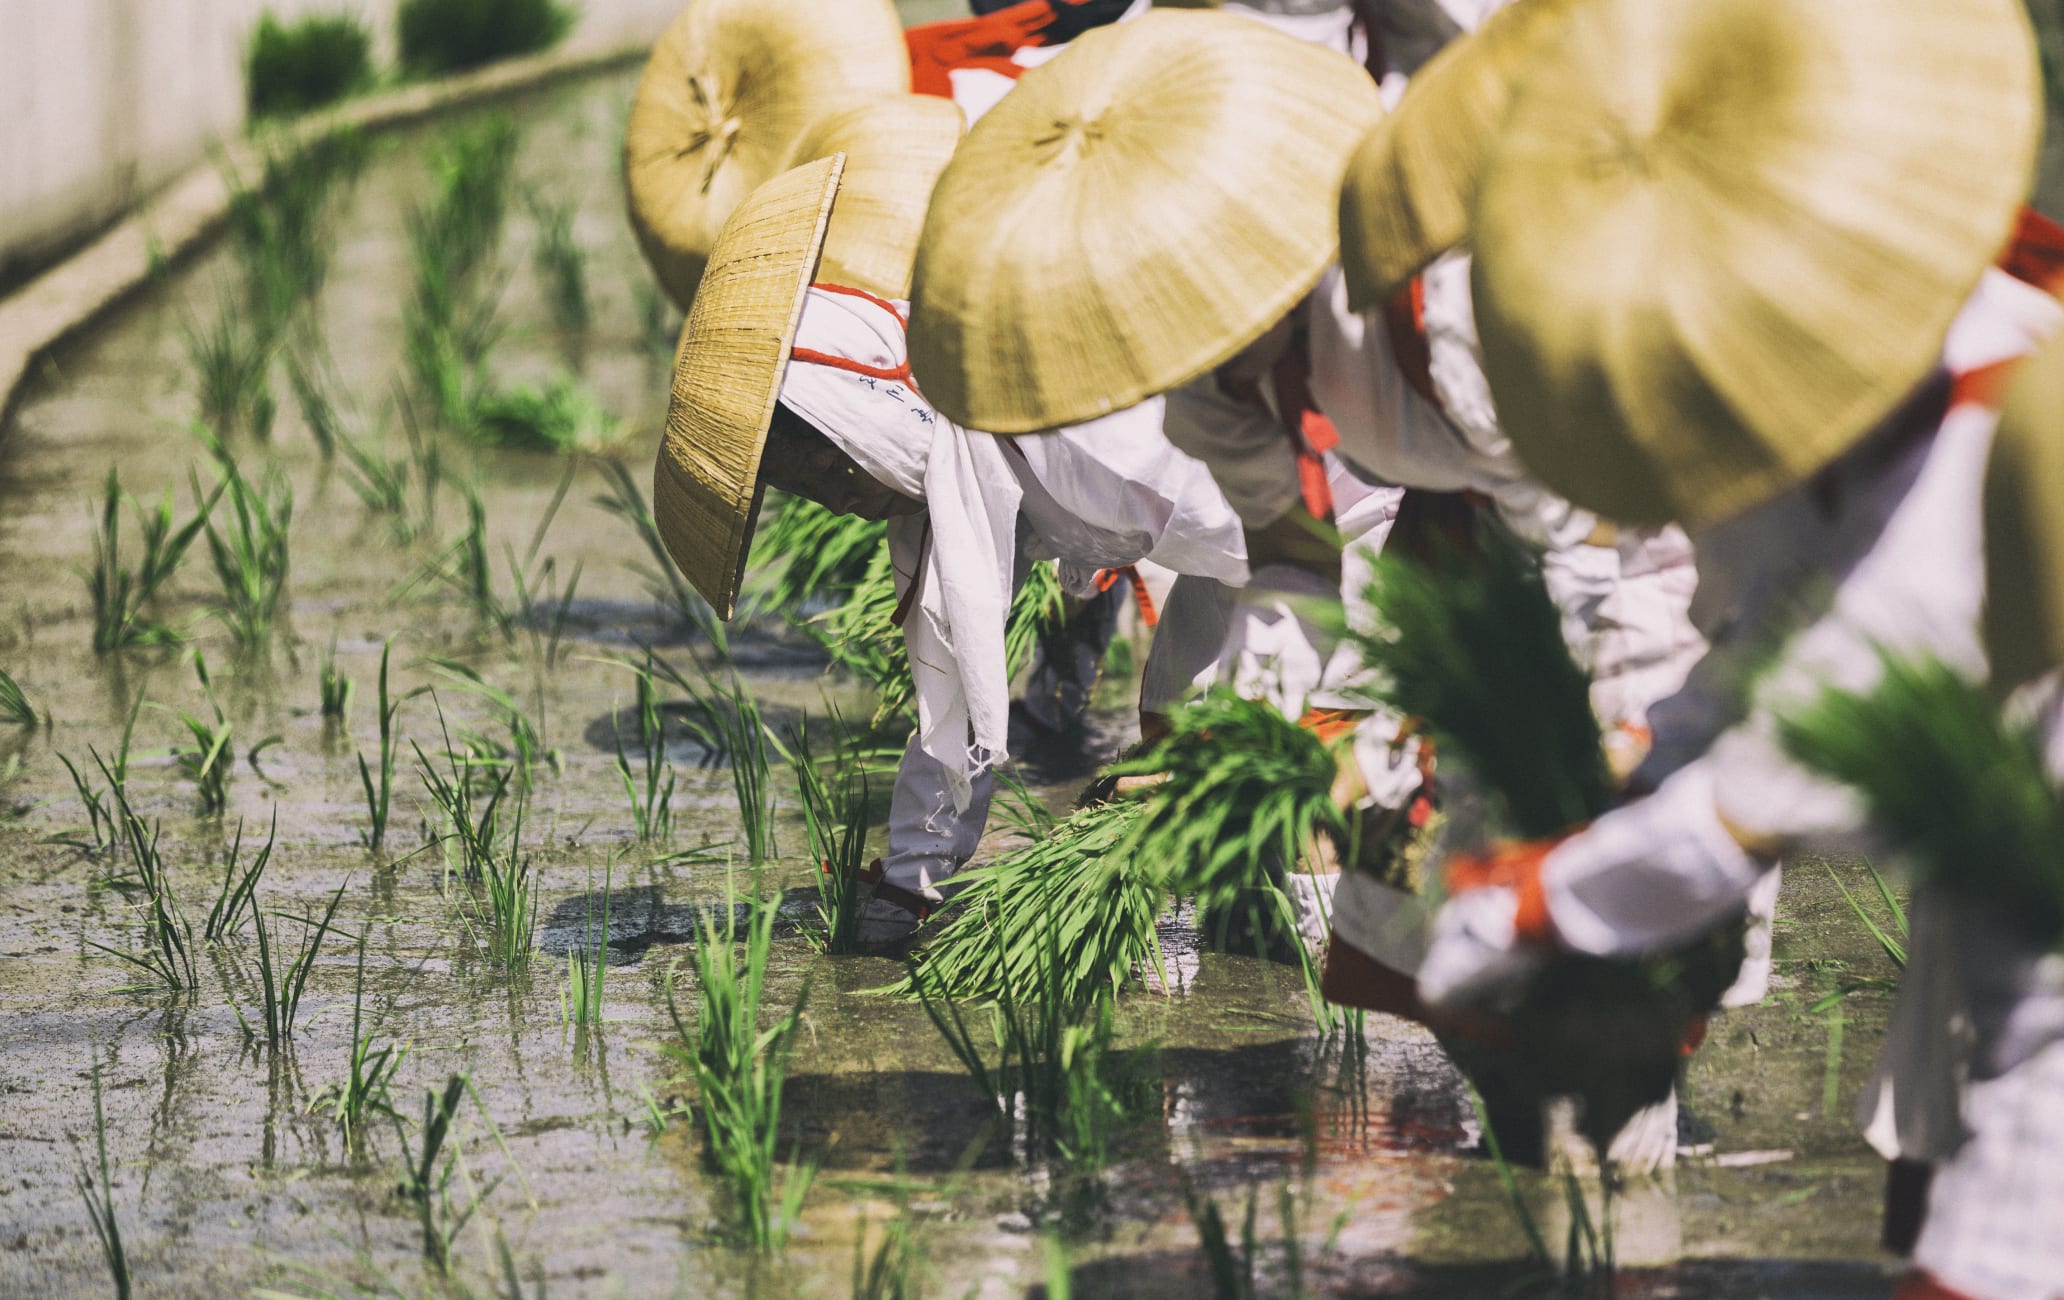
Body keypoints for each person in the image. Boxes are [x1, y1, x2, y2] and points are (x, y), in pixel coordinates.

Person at [1396, 0, 2063, 1291]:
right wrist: (1637, 770)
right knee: (1954, 1148)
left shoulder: (1971, 435)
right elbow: (1759, 643)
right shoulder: (1826, 395)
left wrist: (1532, 902)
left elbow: (1763, 798)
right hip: (2001, 837)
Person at [653, 156, 1249, 947]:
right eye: (812, 490)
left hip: (1341, 526)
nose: (841, 498)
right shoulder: (951, 475)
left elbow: (1280, 541)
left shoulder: (1057, 417)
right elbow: (956, 701)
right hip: (1249, 558)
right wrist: (912, 885)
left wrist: (1234, 756)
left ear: (871, 414)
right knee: (1195, 764)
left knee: (1285, 779)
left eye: (832, 464)